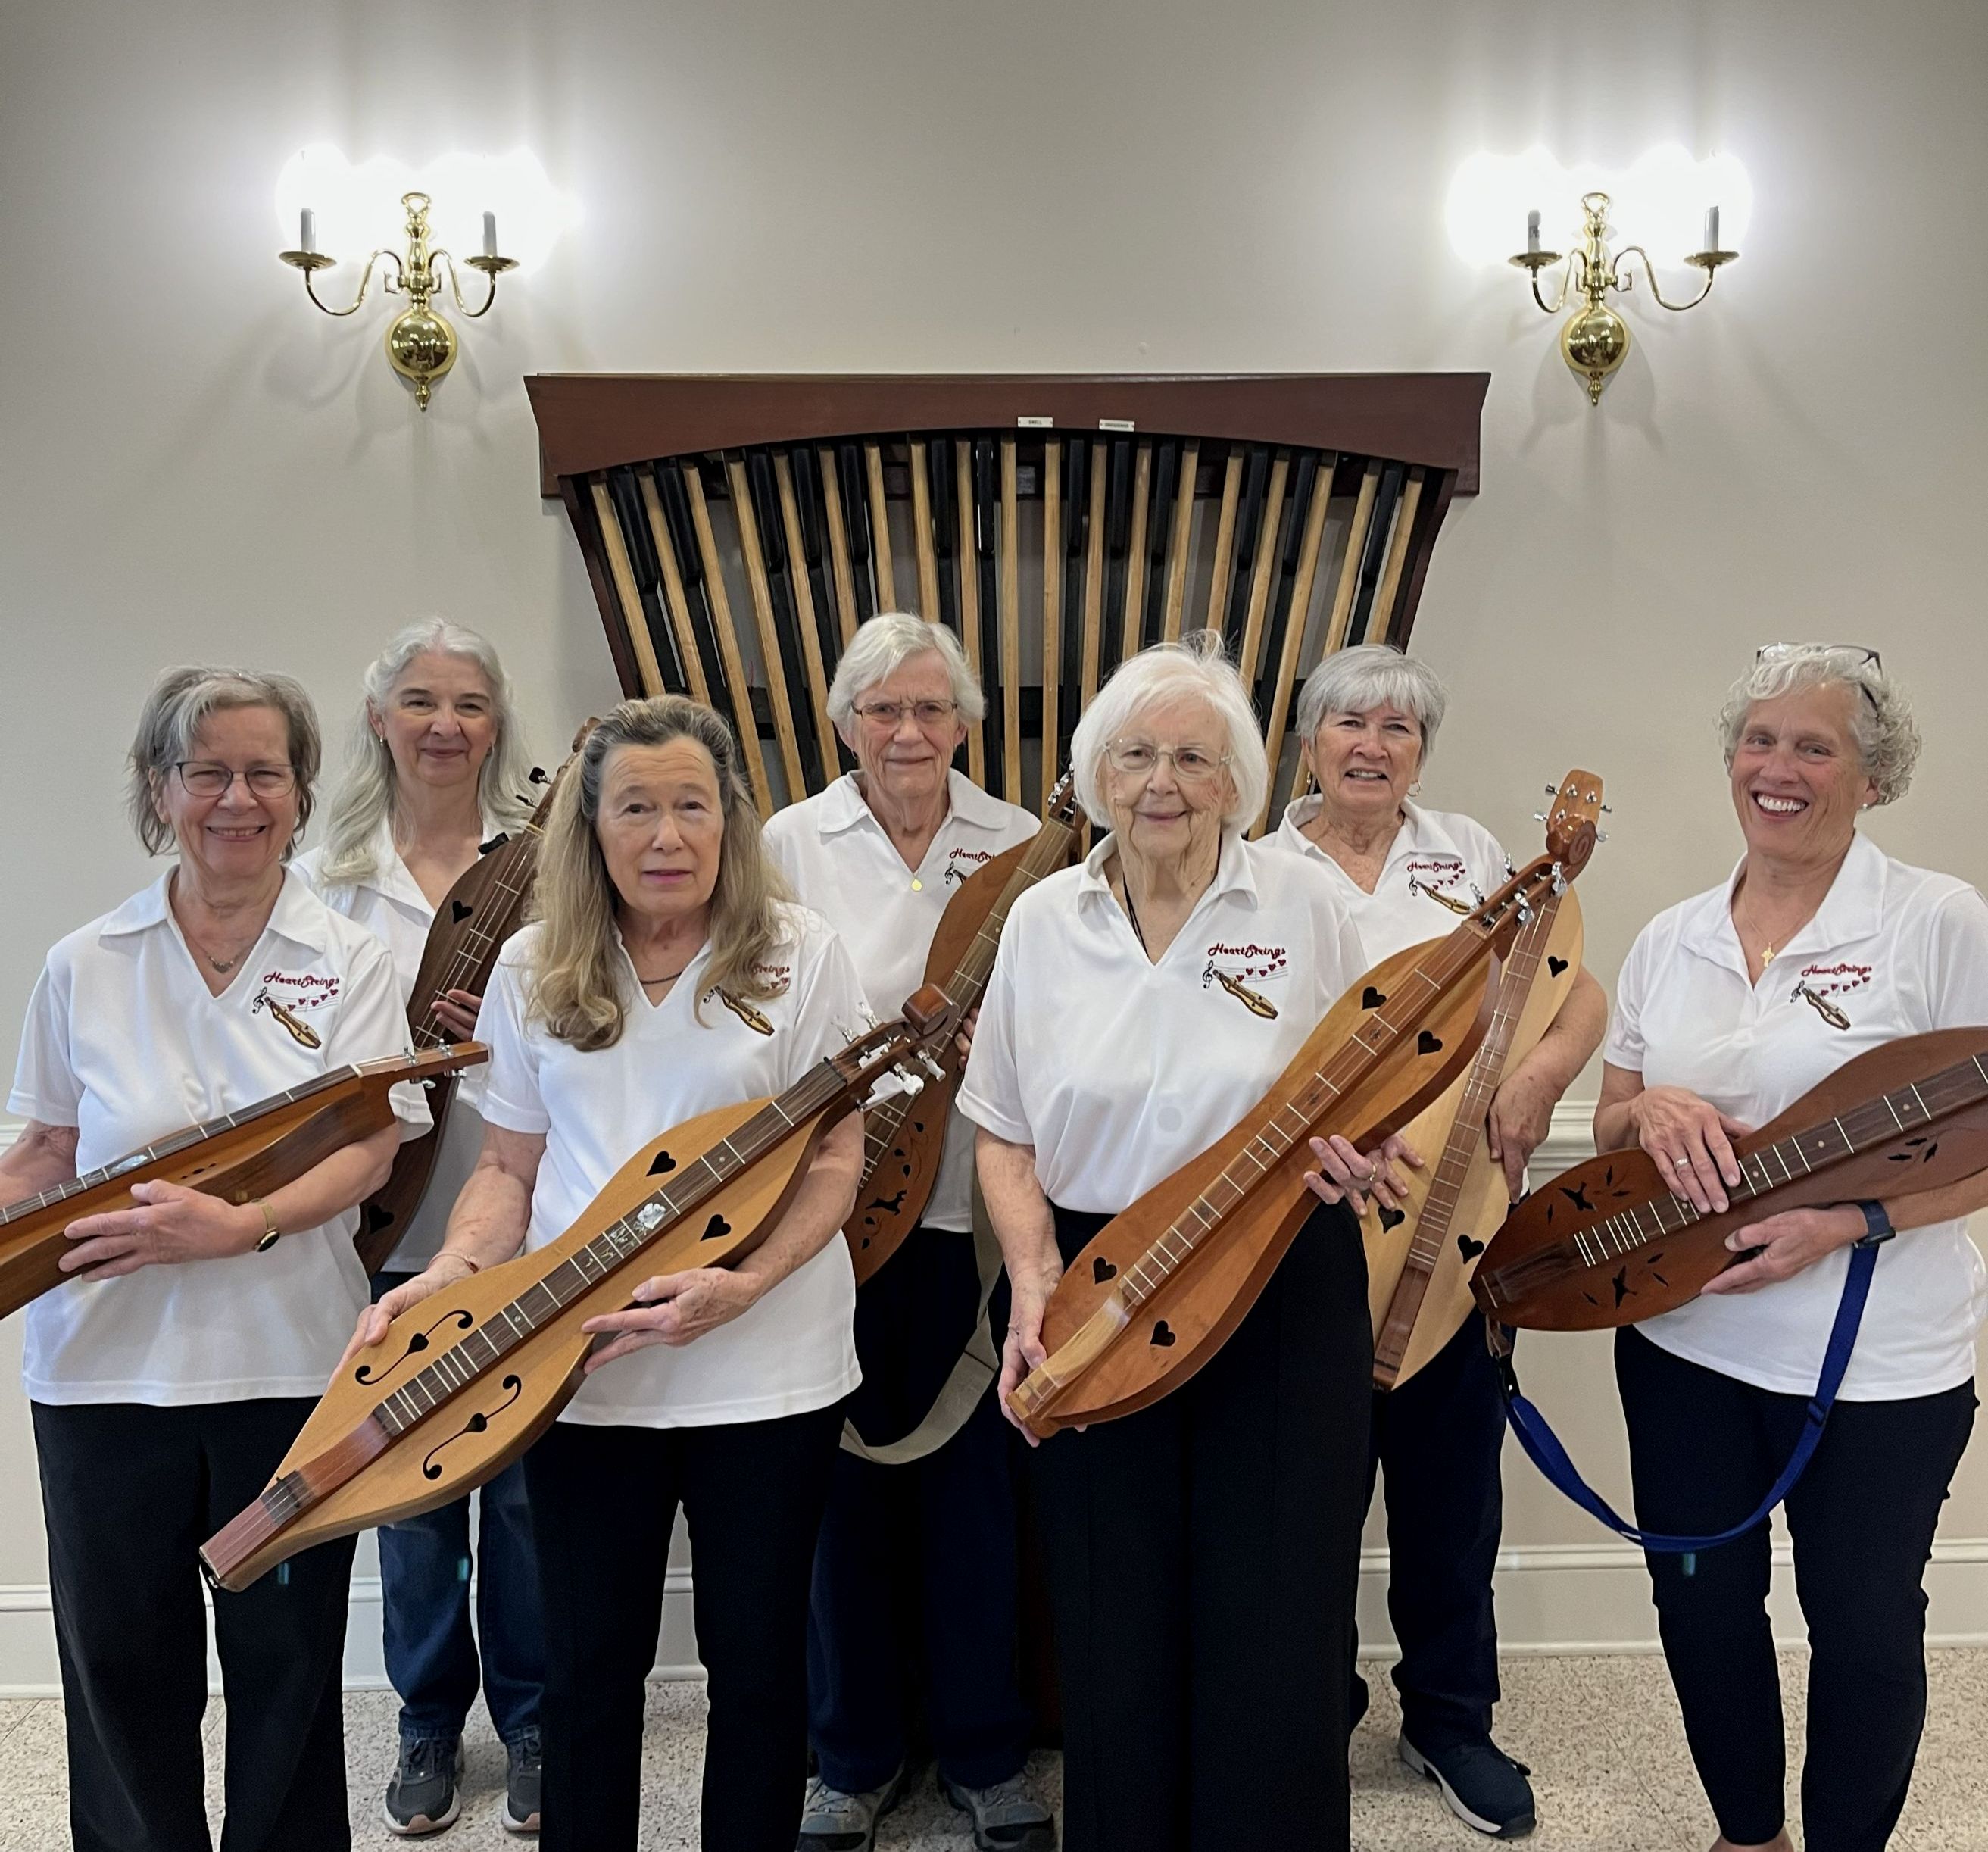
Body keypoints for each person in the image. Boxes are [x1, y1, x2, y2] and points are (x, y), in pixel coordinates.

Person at [345, 695, 870, 1852]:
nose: (666, 835)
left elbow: (838, 1157)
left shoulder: (802, 953)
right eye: (635, 807)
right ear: (591, 826)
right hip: (580, 1372)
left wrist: (744, 1284)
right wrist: (458, 1270)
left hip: (767, 1368)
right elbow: (509, 1166)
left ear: (729, 818)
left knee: (758, 1665)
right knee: (586, 1668)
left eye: (691, 805)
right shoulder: (535, 962)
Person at [958, 631, 1391, 1852]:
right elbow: (1002, 1129)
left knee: (1279, 1602)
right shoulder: (1041, 919)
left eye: (1194, 758)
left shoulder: (1305, 903)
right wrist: (1034, 1282)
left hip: (1278, 1274)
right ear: (1095, 773)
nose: (1163, 782)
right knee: (1112, 1605)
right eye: (1135, 754)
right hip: (1096, 1282)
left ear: (1237, 780)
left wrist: (1356, 1146)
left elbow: (1362, 1087)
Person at [2, 667, 428, 1852]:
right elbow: (42, 1148)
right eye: (207, 773)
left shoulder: (351, 957)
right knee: (120, 1661)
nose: (237, 799)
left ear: (300, 791)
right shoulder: (86, 959)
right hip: (101, 1378)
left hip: (288, 1370)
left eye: (264, 773)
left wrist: (246, 1225)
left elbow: (370, 1145)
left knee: (285, 1658)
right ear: (159, 789)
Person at [1595, 644, 1986, 1852]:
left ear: (1870, 779)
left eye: (1814, 747)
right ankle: (1747, 1833)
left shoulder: (1934, 920)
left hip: (1876, 1363)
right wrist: (1647, 1111)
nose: (1778, 768)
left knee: (1862, 1624)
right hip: (1682, 1344)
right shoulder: (1670, 936)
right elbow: (1608, 1124)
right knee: (1699, 1600)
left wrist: (1848, 1221)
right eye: (1758, 741)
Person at [1270, 642, 1608, 1837]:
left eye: (1397, 728)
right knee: (1303, 1500)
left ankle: (1449, 1718)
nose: (1371, 745)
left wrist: (1538, 1081)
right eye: (1348, 722)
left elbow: (1576, 992)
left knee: (1450, 1494)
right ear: (1307, 741)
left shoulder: (1470, 856)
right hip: (1307, 1228)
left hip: (1457, 1223)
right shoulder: (1253, 870)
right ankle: (1309, 1705)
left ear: (1421, 751)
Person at [760, 613, 1053, 1852]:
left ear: (965, 724)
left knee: (974, 1499)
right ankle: (852, 1756)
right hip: (832, 1213)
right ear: (845, 724)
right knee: (840, 1500)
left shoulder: (1022, 843)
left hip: (969, 1216)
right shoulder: (786, 842)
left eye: (932, 708)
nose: (908, 732)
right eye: (883, 710)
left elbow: (1057, 1008)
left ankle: (987, 1751)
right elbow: (757, 1002)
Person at [298, 617, 545, 1836]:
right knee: (412, 1492)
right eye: (419, 701)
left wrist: (500, 1031)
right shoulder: (325, 874)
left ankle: (538, 1717)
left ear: (496, 726)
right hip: (380, 1236)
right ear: (378, 718)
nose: (444, 724)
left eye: (469, 703)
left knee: (529, 1496)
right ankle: (428, 1715)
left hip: (526, 1229)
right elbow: (290, 1059)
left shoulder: (545, 868)